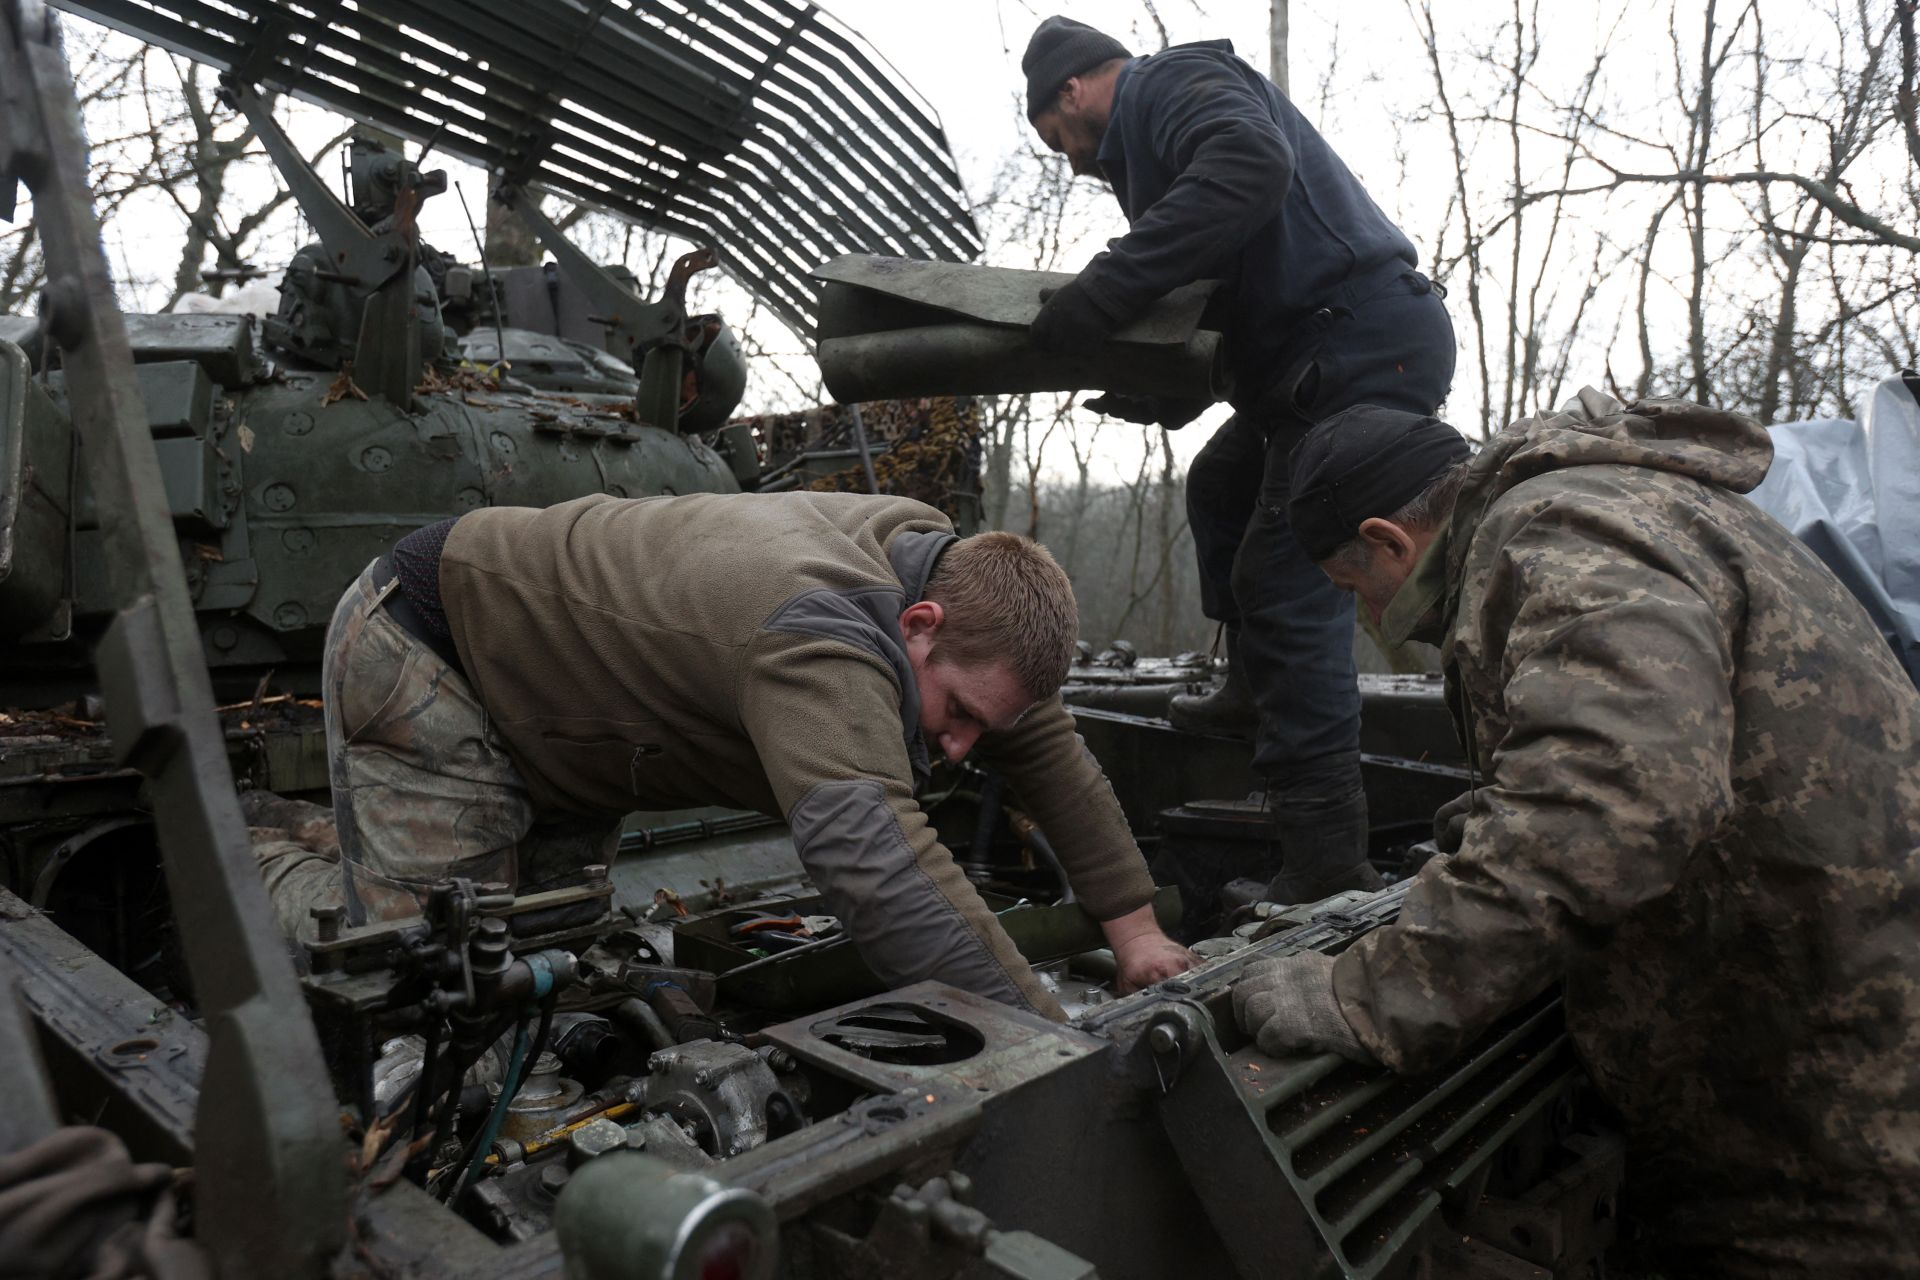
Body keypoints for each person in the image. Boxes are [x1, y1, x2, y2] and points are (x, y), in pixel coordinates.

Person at [1232, 393, 1920, 1275]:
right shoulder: (1617, 504)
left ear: (1389, 541)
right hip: (1817, 1022)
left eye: (1352, 588)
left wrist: (1371, 994)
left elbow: (1615, 799)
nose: (1369, 620)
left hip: (1832, 1084)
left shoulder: (1556, 531)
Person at [263, 491, 1193, 1020]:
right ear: (919, 626)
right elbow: (875, 862)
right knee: (429, 979)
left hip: (572, 710)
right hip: (437, 651)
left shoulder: (944, 579)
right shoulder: (815, 627)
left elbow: (1044, 741)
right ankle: (261, 858)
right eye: (956, 717)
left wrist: (1137, 934)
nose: (958, 749)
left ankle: (368, 837)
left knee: (541, 963)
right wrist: (1041, 1037)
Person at [1019, 16, 1456, 903]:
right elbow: (1235, 281)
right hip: (1310, 360)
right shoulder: (1159, 136)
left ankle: (1327, 861)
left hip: (1360, 346)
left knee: (1286, 584)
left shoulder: (1173, 85)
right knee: (1221, 485)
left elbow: (1250, 171)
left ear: (1069, 89)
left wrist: (1100, 294)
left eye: (1053, 135)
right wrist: (1164, 393)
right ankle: (1253, 690)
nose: (1066, 159)